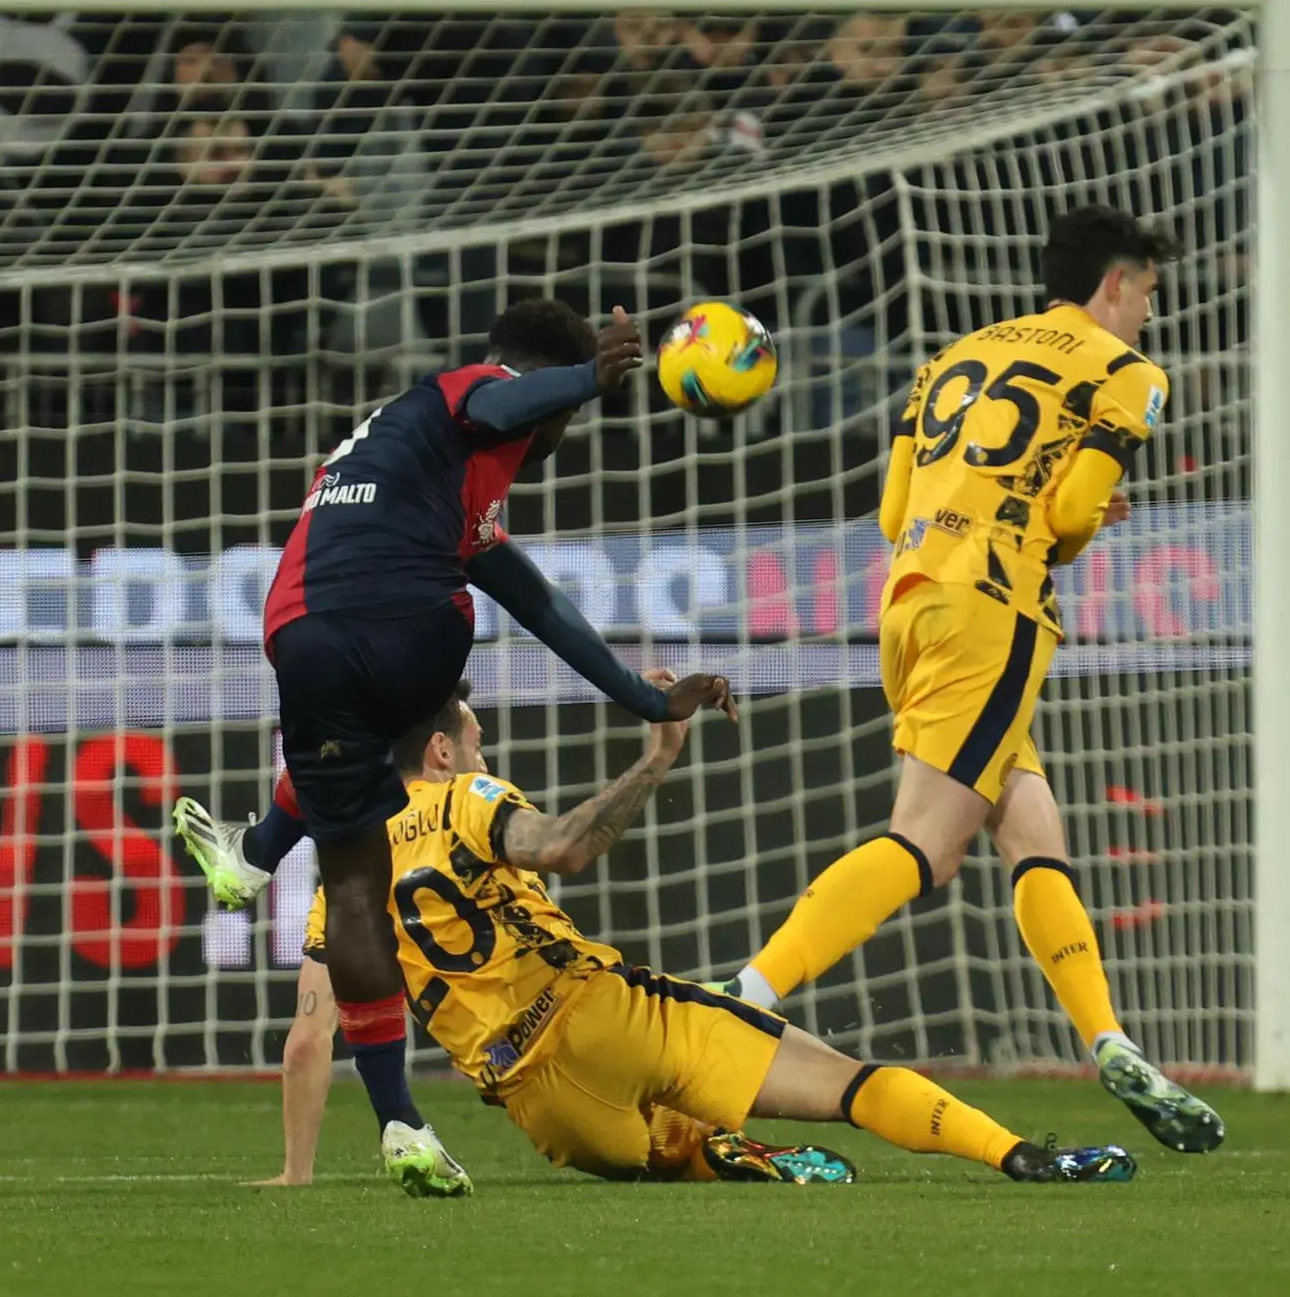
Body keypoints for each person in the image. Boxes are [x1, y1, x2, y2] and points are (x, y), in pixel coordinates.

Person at [179, 297, 735, 1193]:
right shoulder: (474, 393)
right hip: (415, 633)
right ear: (543, 388)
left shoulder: (413, 461)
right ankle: (261, 859)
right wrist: (589, 379)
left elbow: (541, 601)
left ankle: (392, 1107)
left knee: (354, 876)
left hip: (303, 639)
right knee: (413, 701)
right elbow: (499, 405)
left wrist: (643, 693)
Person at [718, 205, 1224, 1155]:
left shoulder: (953, 355)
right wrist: (1076, 520)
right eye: (1148, 293)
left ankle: (1109, 1039)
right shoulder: (1127, 374)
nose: (1150, 314)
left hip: (911, 602)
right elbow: (1072, 509)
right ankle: (743, 994)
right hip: (996, 606)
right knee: (927, 844)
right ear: (1114, 283)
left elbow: (894, 507)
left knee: (1030, 824)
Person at [261, 680, 1137, 1188]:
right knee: (848, 1082)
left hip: (544, 1111)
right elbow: (564, 846)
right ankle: (1020, 1156)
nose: (485, 757)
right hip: (603, 1015)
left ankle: (715, 1151)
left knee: (656, 1149)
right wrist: (655, 758)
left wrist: (298, 1175)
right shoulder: (468, 799)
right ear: (444, 754)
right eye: (477, 743)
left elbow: (310, 1037)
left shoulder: (348, 868)